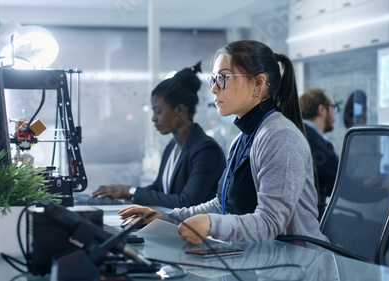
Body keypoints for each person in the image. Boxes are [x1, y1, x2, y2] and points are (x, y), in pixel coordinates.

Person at [119, 40, 327, 244]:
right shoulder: (242, 139)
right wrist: (164, 218)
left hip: (297, 264)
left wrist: (211, 224)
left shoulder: (280, 136)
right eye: (214, 79)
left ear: (258, 83)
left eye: (224, 78)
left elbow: (270, 223)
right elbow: (222, 205)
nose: (214, 89)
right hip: (259, 259)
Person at [91, 62, 226, 209]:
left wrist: (130, 192)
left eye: (158, 111)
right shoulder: (172, 146)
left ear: (180, 110)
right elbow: (160, 188)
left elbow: (187, 202)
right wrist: (123, 191)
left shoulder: (205, 150)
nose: (153, 118)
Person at [299, 88, 339, 218]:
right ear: (321, 109)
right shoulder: (319, 144)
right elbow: (342, 187)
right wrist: (384, 189)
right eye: (334, 107)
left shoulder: (294, 133)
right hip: (311, 222)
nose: (335, 113)